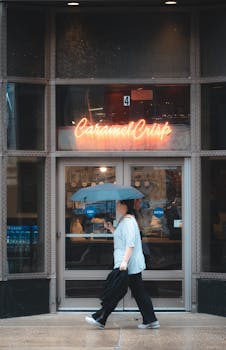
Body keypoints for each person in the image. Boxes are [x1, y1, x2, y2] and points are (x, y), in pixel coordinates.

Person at [85, 199, 160, 329]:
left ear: (126, 205)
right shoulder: (126, 220)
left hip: (127, 264)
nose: (117, 206)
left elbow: (130, 244)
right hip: (127, 263)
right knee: (138, 292)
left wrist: (124, 262)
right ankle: (150, 319)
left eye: (119, 203)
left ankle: (100, 318)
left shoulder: (129, 222)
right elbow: (121, 238)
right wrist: (111, 228)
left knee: (116, 291)